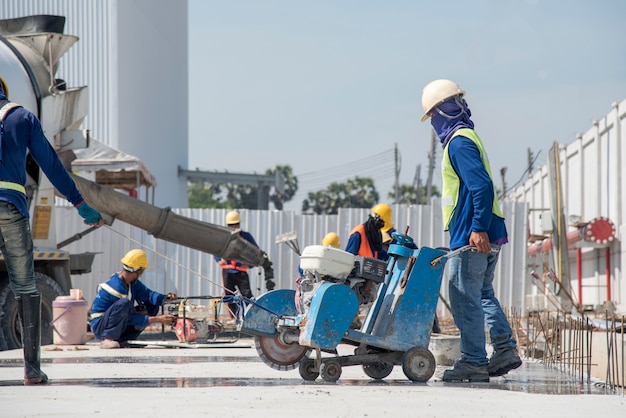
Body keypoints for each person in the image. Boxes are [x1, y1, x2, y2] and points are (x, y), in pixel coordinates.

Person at [0, 77, 104, 384]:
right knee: (25, 286)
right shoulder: (22, 117)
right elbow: (50, 164)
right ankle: (31, 370)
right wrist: (79, 203)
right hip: (10, 208)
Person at [420, 79, 521, 382]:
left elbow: (481, 186)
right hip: (487, 230)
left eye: (433, 116)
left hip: (473, 233)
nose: (434, 123)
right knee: (483, 294)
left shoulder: (459, 142)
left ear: (442, 111)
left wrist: (477, 229)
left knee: (463, 294)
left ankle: (474, 361)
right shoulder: (469, 136)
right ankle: (504, 349)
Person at [90, 249, 177, 349]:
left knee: (153, 305)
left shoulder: (132, 283)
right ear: (139, 270)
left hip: (116, 321)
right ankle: (108, 339)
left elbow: (148, 295)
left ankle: (124, 339)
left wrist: (165, 298)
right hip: (100, 326)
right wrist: (157, 319)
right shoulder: (116, 289)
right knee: (124, 303)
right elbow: (129, 317)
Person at [215, 210, 259, 319]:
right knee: (230, 296)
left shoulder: (246, 236)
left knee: (247, 295)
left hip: (241, 272)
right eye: (231, 225)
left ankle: (251, 317)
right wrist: (219, 260)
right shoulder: (223, 236)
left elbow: (256, 252)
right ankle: (234, 318)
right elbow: (216, 250)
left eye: (236, 224)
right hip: (227, 271)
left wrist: (249, 265)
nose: (234, 227)